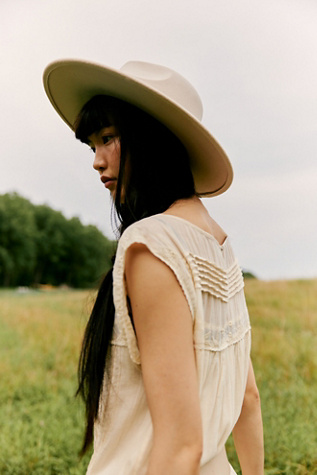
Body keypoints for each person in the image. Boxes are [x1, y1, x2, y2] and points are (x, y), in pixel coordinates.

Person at [43, 60, 264, 475]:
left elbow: (181, 446)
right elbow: (247, 397)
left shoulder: (152, 244)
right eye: (92, 145)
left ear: (152, 138)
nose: (96, 161)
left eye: (108, 138)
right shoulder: (219, 243)